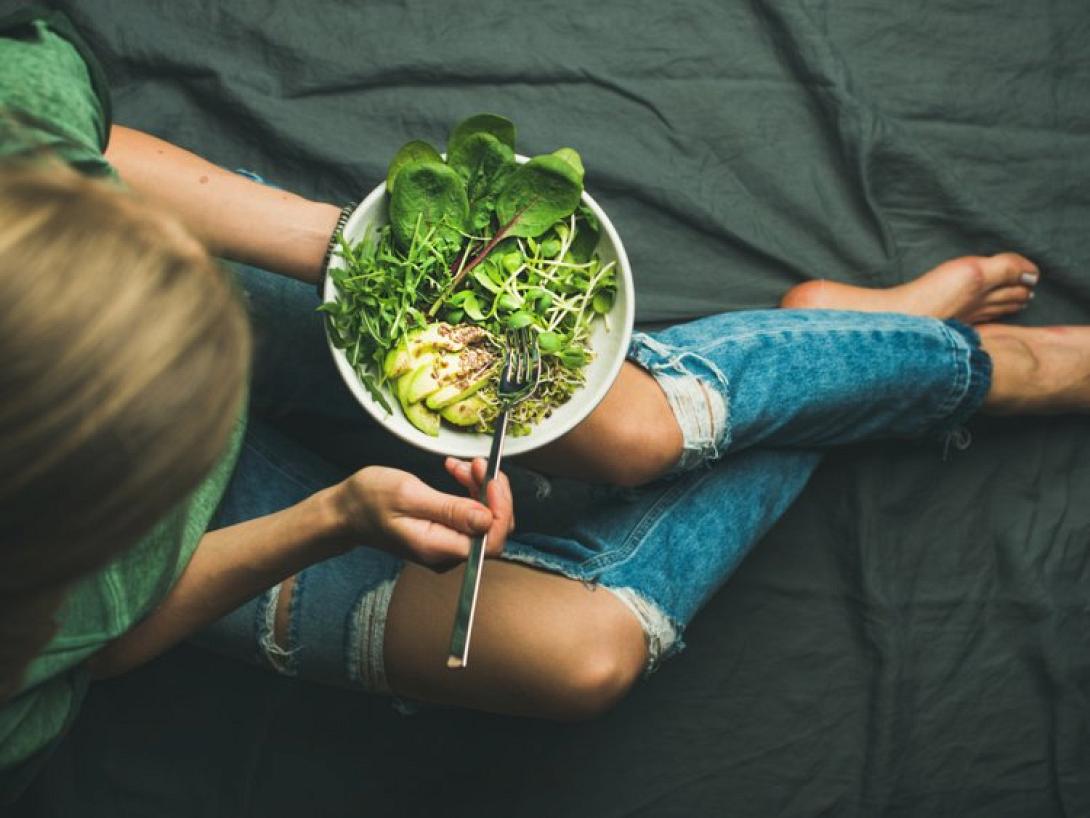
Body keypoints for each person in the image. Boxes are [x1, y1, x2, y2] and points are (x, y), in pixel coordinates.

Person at [3, 8, 1088, 797]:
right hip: (150, 519)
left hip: (153, 280)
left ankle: (925, 359)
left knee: (627, 429)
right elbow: (102, 644)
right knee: (580, 654)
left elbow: (70, 149)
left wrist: (362, 256)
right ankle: (864, 348)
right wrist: (326, 519)